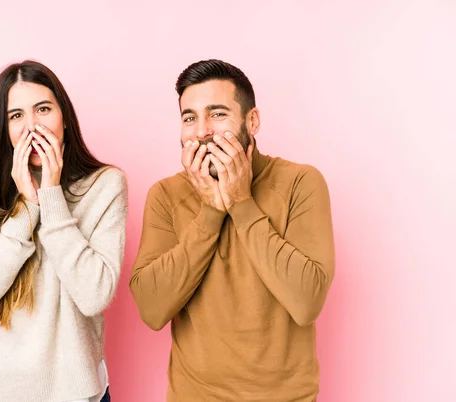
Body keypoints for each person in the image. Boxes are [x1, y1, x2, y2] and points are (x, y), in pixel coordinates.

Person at [130, 59, 335, 401]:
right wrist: (211, 210)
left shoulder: (300, 182)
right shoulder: (166, 195)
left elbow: (307, 301)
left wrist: (240, 203)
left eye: (217, 113)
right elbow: (151, 309)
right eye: (190, 117)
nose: (201, 131)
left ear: (251, 121)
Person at [0, 60, 126, 402]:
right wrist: (28, 207)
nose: (32, 126)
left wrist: (51, 196)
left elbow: (95, 295)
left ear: (64, 116)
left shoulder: (104, 186)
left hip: (76, 393)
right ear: (2, 129)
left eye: (43, 109)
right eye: (16, 116)